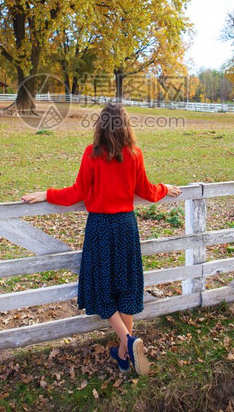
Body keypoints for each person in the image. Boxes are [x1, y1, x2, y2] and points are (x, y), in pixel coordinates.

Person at [22, 102, 182, 376]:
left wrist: (47, 194)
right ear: (125, 126)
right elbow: (145, 190)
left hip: (100, 228)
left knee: (101, 288)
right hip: (125, 227)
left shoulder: (92, 154)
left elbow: (76, 192)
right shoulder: (134, 154)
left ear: (101, 126)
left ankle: (128, 343)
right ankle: (124, 355)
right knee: (126, 288)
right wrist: (165, 188)